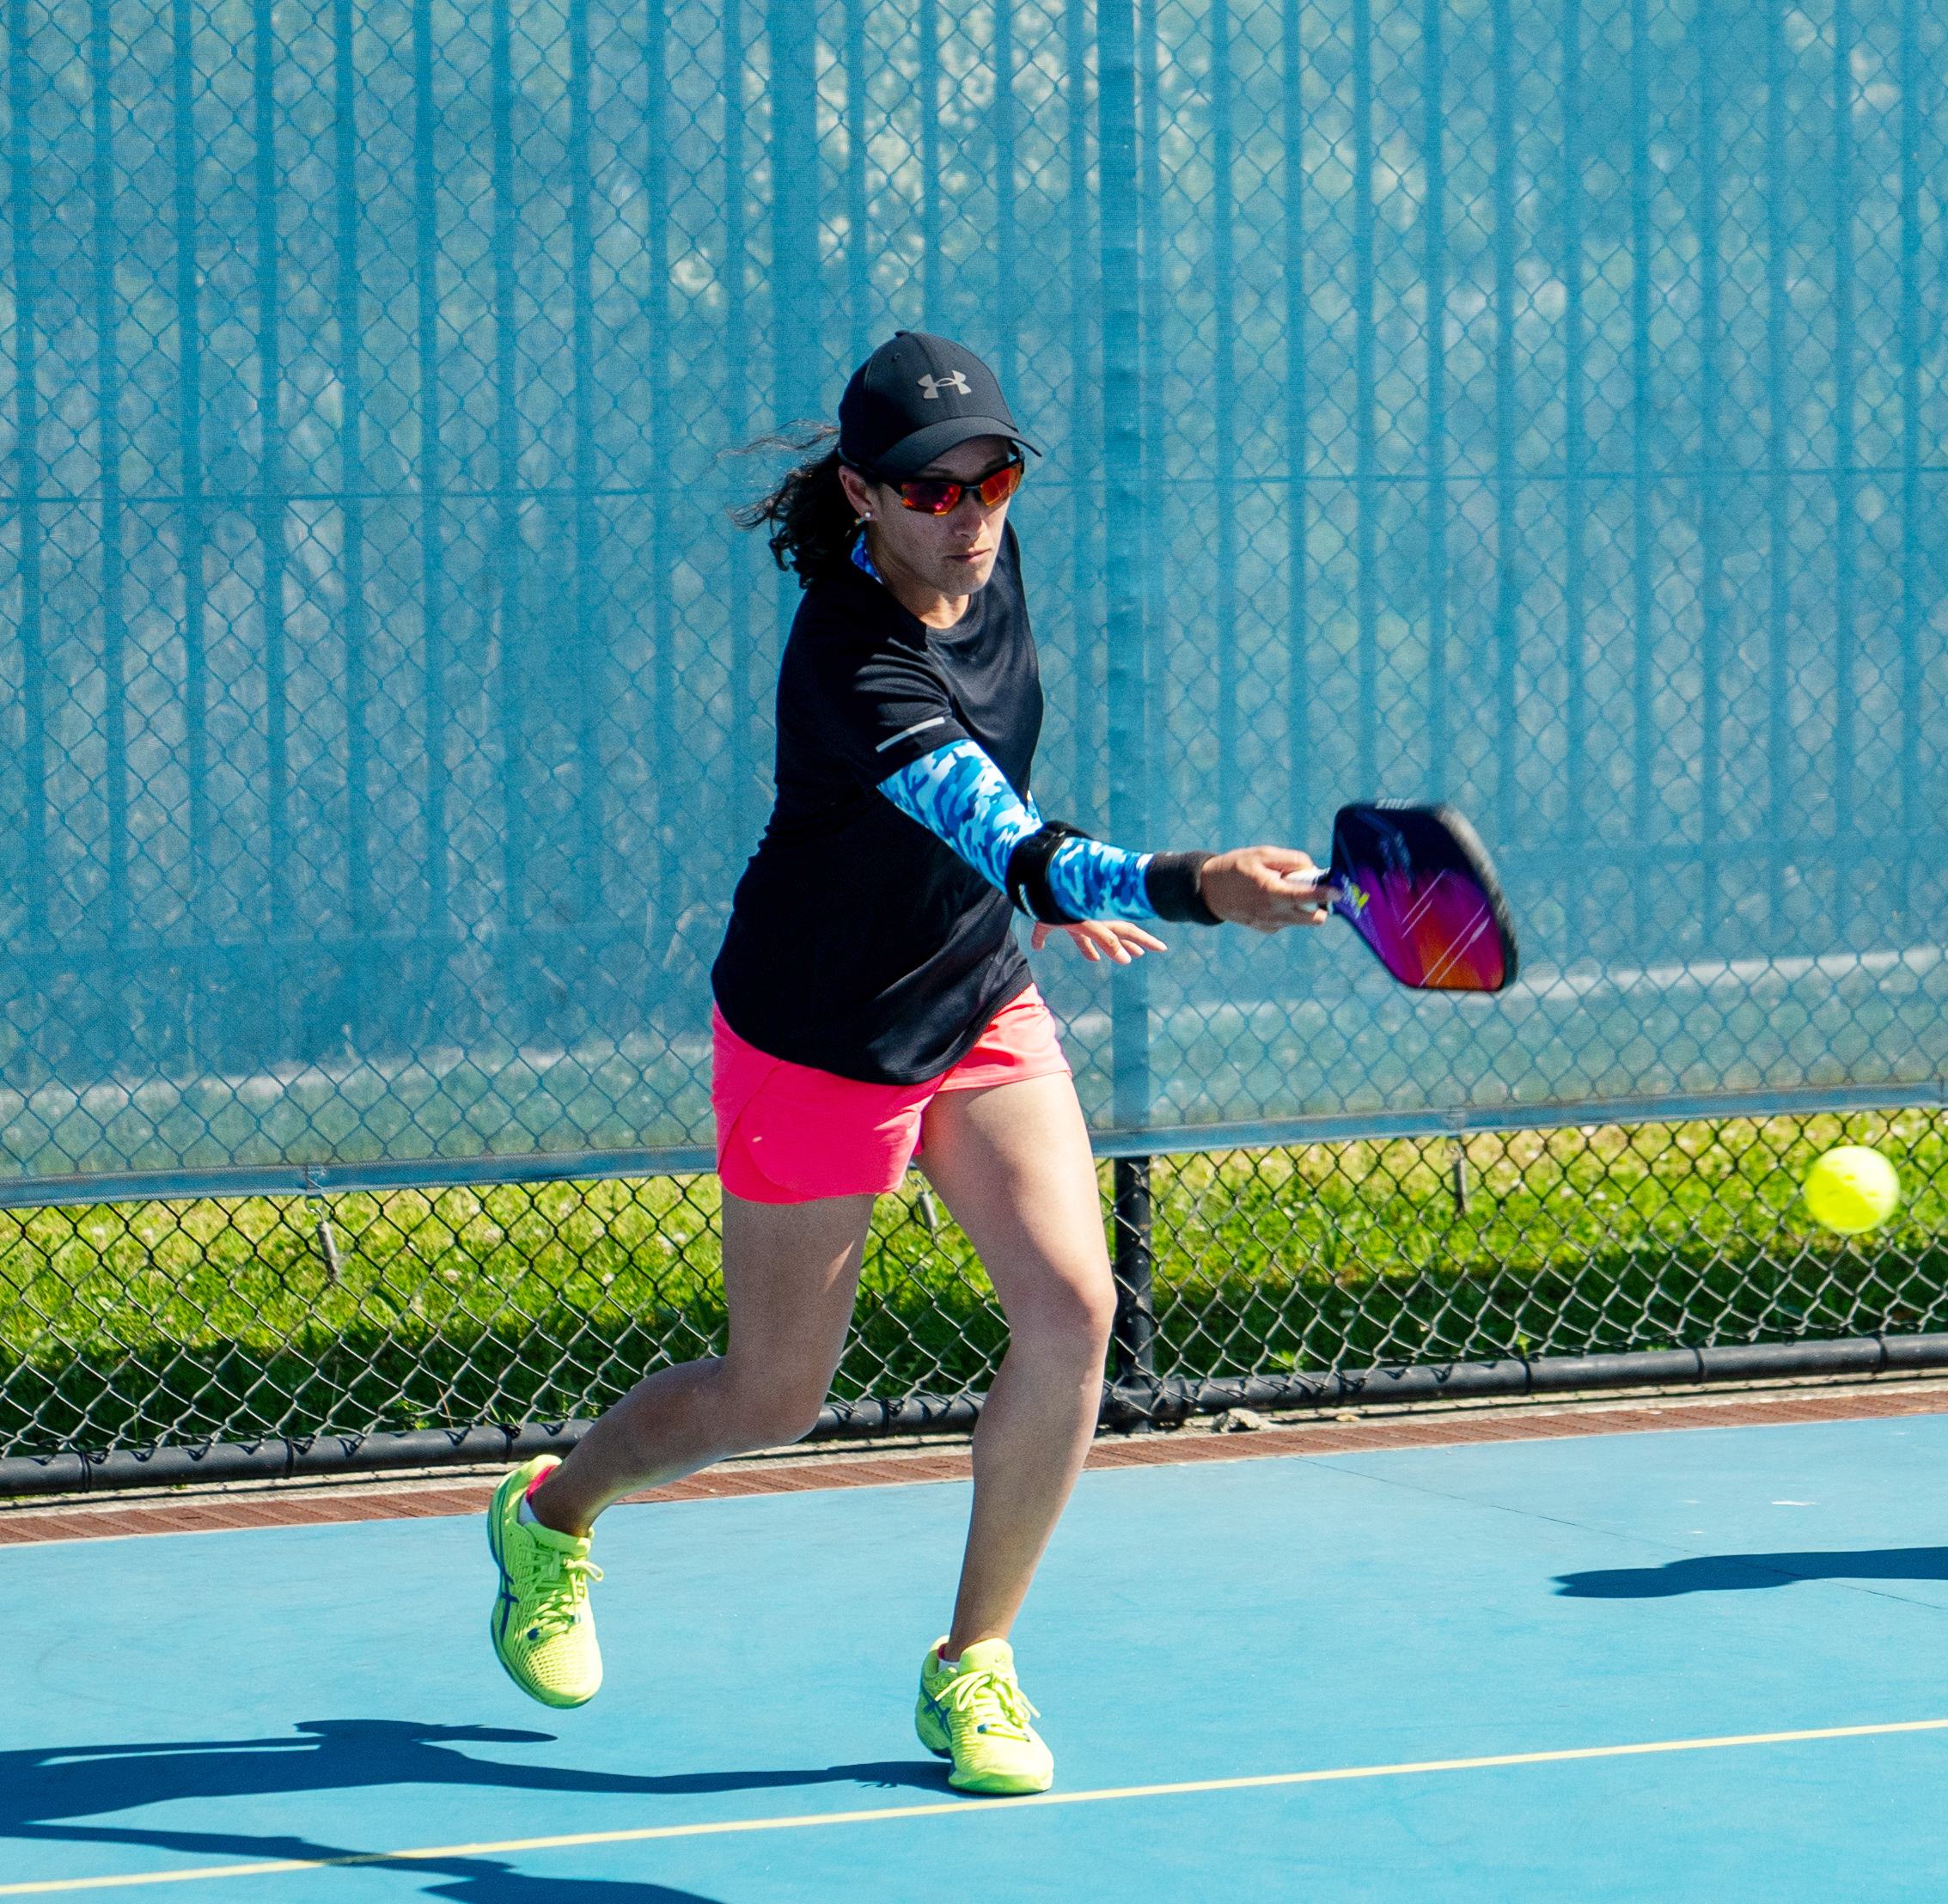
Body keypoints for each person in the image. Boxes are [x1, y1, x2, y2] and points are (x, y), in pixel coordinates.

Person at [476, 332, 1328, 1794]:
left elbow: (1001, 805)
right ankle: (552, 1515)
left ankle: (972, 1666)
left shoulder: (990, 572)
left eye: (995, 478)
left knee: (1075, 1306)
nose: (972, 513)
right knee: (774, 1396)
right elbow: (994, 822)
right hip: (821, 1035)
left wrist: (1034, 895)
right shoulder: (850, 661)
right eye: (933, 491)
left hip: (975, 994)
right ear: (866, 498)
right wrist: (1181, 885)